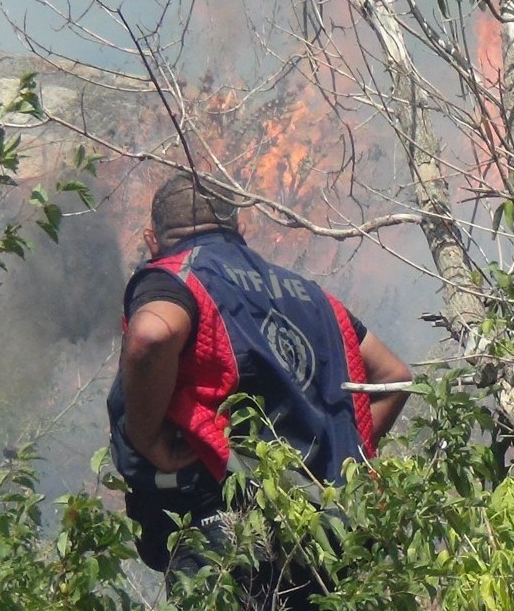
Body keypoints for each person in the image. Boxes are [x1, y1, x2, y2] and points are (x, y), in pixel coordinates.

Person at [106, 172, 411, 608]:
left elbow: (150, 336)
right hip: (333, 541)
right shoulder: (315, 297)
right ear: (241, 229)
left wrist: (147, 436)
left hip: (228, 532)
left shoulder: (172, 278)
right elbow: (396, 377)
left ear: (153, 240)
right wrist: (342, 470)